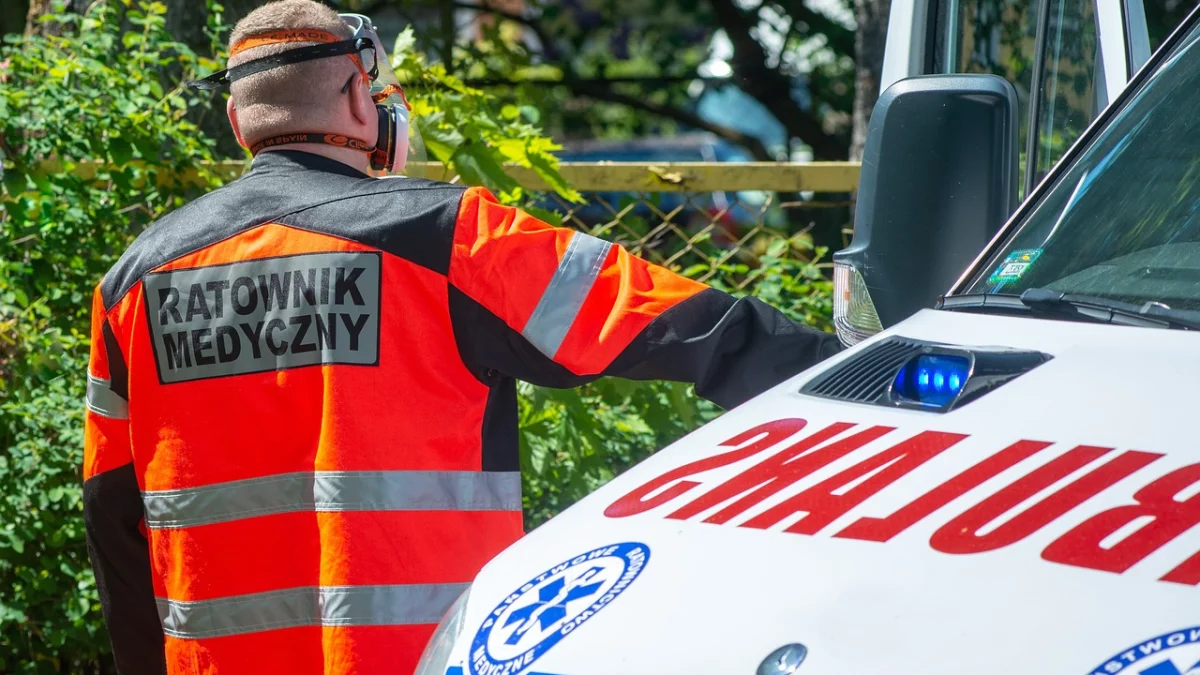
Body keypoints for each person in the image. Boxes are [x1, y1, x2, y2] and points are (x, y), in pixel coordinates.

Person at [81, 1, 842, 673]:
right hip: (425, 655)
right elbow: (687, 324)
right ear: (357, 95)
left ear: (239, 119)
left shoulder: (132, 283)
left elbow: (113, 514)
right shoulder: (446, 234)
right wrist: (869, 376)